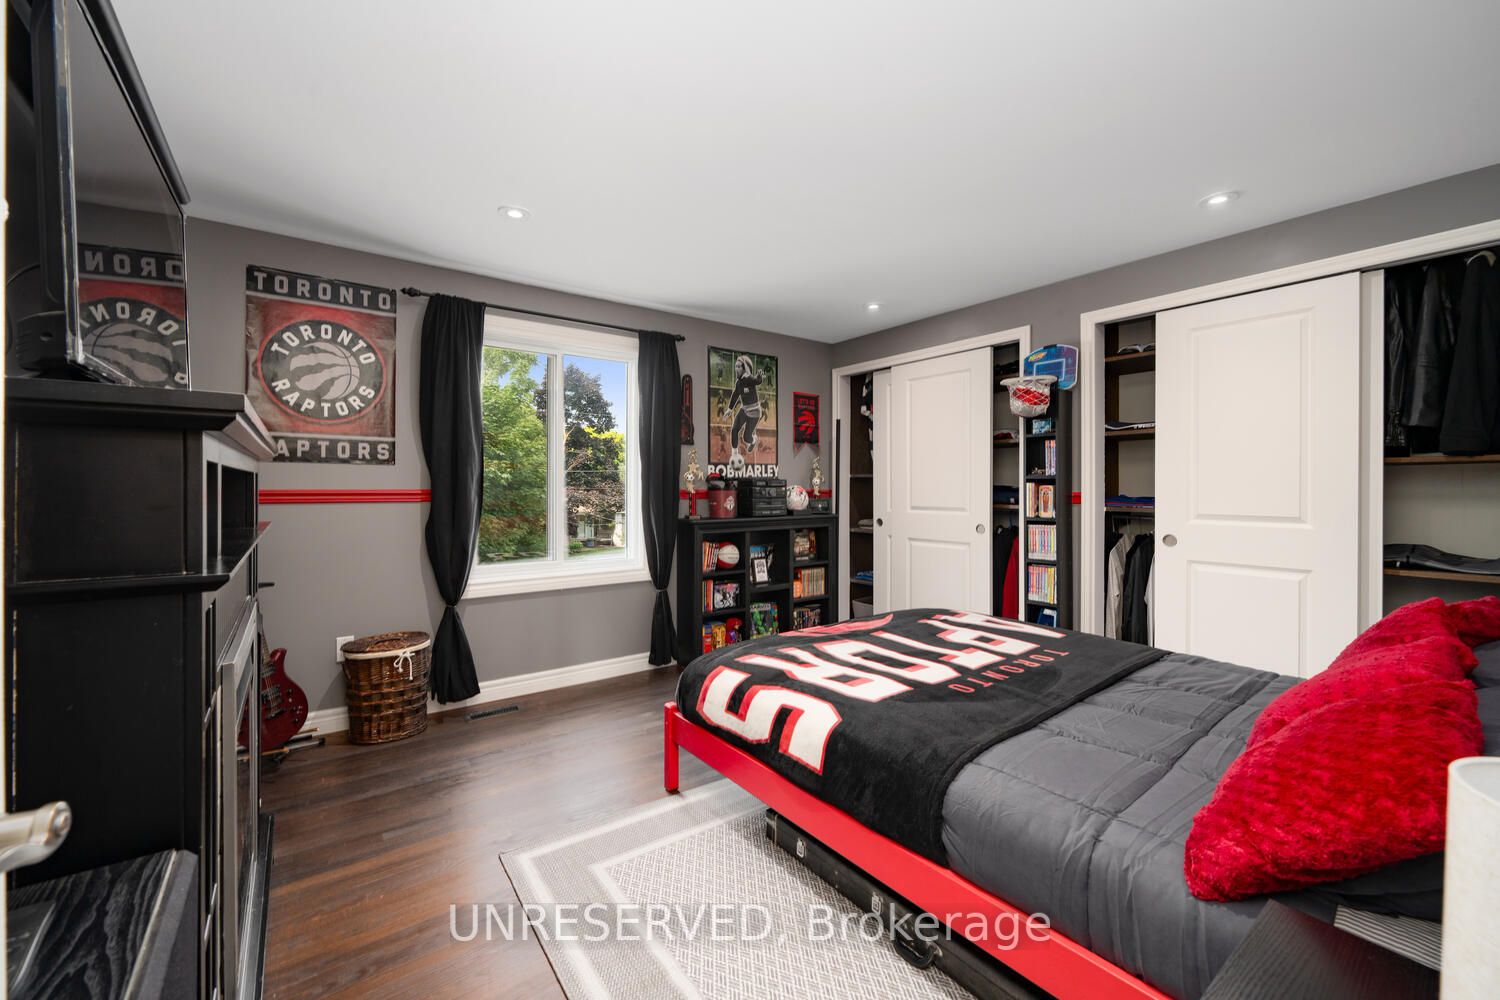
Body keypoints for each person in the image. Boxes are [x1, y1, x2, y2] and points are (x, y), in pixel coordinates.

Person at [726, 354, 764, 466]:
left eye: (738, 366)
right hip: (744, 409)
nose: (736, 369)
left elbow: (757, 381)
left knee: (746, 438)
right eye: (736, 366)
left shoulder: (749, 378)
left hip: (754, 412)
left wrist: (759, 375)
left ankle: (753, 440)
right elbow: (735, 395)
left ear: (744, 368)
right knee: (734, 429)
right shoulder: (738, 383)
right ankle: (734, 455)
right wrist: (730, 409)